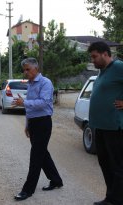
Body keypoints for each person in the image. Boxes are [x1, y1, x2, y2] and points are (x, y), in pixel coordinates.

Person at [12, 57, 63, 201]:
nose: (25, 72)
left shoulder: (45, 82)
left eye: (28, 69)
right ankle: (56, 180)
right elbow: (30, 108)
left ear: (36, 68)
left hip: (43, 123)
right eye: (24, 70)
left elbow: (43, 102)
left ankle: (27, 190)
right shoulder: (30, 84)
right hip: (34, 123)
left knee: (36, 156)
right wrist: (27, 124)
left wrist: (24, 102)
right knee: (42, 154)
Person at [88, 41, 123, 205]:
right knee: (105, 163)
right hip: (100, 126)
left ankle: (116, 200)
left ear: (105, 54)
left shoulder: (118, 67)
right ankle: (111, 197)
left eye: (95, 57)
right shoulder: (103, 71)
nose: (93, 60)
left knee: (117, 166)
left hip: (114, 127)